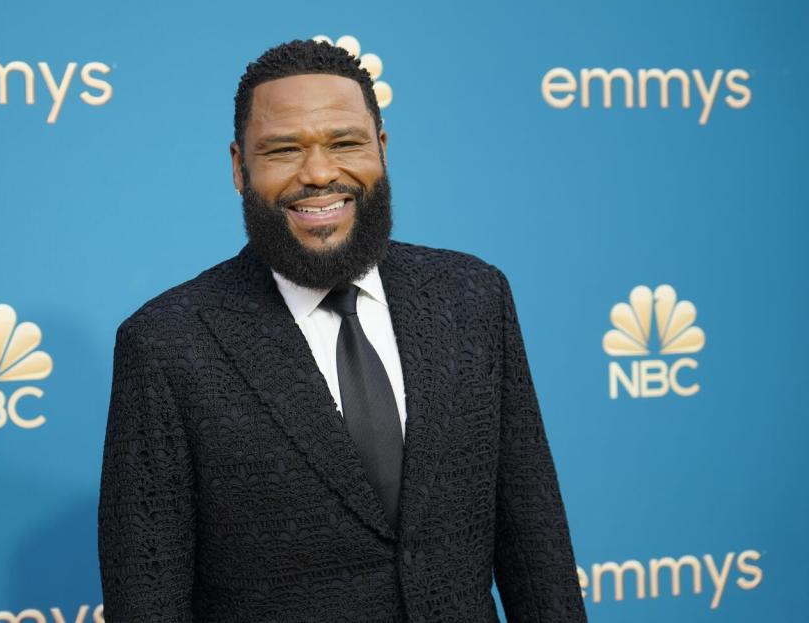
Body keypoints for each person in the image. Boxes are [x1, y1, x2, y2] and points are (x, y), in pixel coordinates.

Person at [98, 39, 587, 622]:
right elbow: (147, 596)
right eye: (283, 150)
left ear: (381, 149)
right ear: (238, 167)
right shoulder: (167, 344)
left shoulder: (473, 296)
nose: (321, 172)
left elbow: (536, 544)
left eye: (345, 142)